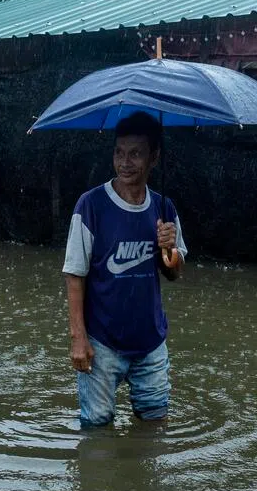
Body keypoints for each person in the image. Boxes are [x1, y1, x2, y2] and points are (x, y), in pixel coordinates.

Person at [62, 111, 187, 428]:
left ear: (154, 157)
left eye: (135, 154)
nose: (125, 163)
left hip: (151, 341)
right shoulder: (91, 205)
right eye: (119, 153)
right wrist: (78, 338)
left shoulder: (164, 208)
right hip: (102, 342)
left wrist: (170, 249)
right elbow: (74, 274)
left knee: (155, 425)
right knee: (97, 429)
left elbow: (174, 273)